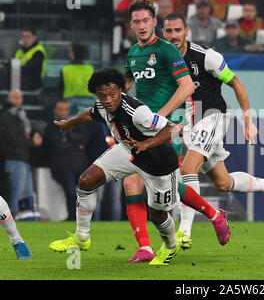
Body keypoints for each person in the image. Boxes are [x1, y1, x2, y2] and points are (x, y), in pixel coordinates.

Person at [48, 68, 230, 266]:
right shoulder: (102, 106)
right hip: (129, 151)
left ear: (121, 90)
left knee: (158, 215)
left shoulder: (138, 113)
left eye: (112, 94)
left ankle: (170, 247)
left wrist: (146, 144)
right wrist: (70, 122)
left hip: (158, 161)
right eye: (102, 96)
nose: (108, 100)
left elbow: (172, 128)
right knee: (86, 181)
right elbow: (88, 114)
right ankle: (82, 237)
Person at [163, 12, 264, 248]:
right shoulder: (162, 60)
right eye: (169, 31)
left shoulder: (207, 57)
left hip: (213, 116)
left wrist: (248, 120)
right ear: (163, 34)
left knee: (187, 168)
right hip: (189, 124)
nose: (174, 35)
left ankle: (185, 232)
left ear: (187, 31)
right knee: (223, 182)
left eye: (178, 30)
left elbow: (236, 83)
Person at [122, 0, 198, 262]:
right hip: (141, 128)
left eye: (146, 21)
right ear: (131, 25)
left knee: (163, 190)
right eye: (136, 22)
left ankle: (210, 214)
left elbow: (188, 86)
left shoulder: (167, 50)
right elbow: (125, 87)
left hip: (168, 127)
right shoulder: (132, 54)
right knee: (132, 181)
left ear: (155, 22)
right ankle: (144, 247)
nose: (141, 26)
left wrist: (161, 115)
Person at [42, 100, 89, 221]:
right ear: (55, 110)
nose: (63, 112)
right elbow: (57, 147)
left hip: (77, 166)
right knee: (71, 194)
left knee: (84, 195)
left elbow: (84, 140)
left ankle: (81, 219)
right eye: (60, 109)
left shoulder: (76, 125)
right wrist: (75, 145)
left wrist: (67, 143)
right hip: (61, 167)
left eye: (65, 109)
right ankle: (73, 219)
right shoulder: (50, 127)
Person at [0, 90, 42, 215]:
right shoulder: (7, 116)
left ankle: (25, 216)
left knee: (26, 192)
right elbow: (13, 138)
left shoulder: (19, 114)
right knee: (16, 193)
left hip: (23, 158)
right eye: (15, 98)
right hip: (14, 158)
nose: (19, 100)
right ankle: (11, 217)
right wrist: (32, 141)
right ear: (8, 99)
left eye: (21, 98)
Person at [59, 42, 95, 116]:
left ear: (72, 54)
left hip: (71, 102)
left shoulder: (65, 70)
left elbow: (60, 89)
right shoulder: (90, 69)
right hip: (89, 102)